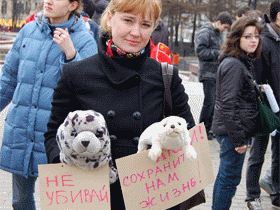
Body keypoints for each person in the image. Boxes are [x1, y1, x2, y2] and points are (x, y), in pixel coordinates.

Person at [44, 0, 196, 209]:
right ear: (109, 18)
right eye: (128, 20)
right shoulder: (76, 74)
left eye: (145, 24)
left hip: (151, 197)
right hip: (93, 197)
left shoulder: (166, 77)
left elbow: (188, 132)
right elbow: (53, 133)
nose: (135, 32)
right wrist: (66, 166)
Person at [0, 0, 97, 209]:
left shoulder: (84, 41)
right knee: (20, 200)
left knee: (56, 203)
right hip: (22, 132)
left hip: (57, 139)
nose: (48, 1)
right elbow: (8, 78)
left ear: (73, 5)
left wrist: (71, 55)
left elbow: (90, 91)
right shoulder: (27, 31)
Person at [211, 16, 263, 210]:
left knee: (226, 176)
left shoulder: (239, 61)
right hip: (232, 133)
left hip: (232, 131)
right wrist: (239, 139)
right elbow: (228, 104)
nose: (254, 40)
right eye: (247, 36)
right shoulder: (234, 64)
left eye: (256, 36)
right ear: (236, 38)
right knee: (229, 179)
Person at [245, 2, 280, 209]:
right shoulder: (263, 40)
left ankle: (276, 193)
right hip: (264, 109)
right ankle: (252, 196)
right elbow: (256, 78)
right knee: (258, 153)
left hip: (279, 106)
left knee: (279, 154)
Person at [194, 11, 232, 140]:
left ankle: (209, 129)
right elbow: (200, 51)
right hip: (207, 72)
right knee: (209, 102)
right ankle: (202, 130)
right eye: (225, 27)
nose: (225, 30)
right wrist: (218, 53)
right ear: (219, 22)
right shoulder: (205, 32)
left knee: (214, 102)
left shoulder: (220, 33)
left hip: (216, 73)